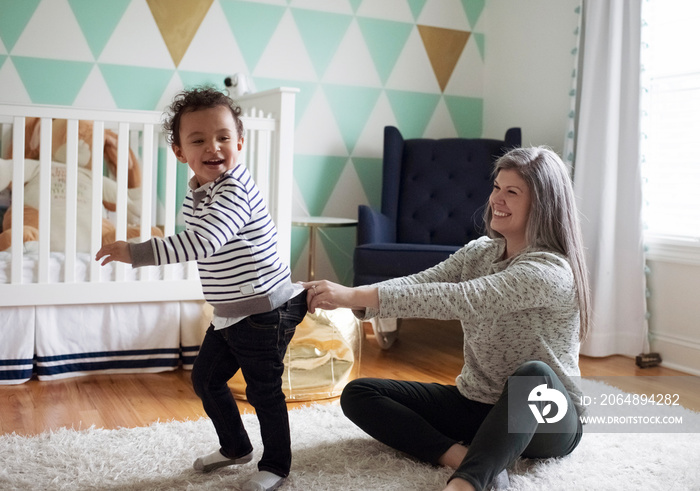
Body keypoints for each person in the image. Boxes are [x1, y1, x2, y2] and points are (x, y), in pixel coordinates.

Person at [303, 146, 590, 491]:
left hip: (548, 419)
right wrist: (355, 297)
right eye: (497, 187)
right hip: (477, 404)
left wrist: (352, 296)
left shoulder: (550, 271)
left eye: (512, 192)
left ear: (542, 204)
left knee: (533, 377)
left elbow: (463, 299)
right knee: (360, 394)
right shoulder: (479, 252)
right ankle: (462, 456)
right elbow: (422, 283)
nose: (497, 199)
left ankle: (466, 483)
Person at [96, 87, 306, 491]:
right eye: (199, 140)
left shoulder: (234, 190)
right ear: (179, 152)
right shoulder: (198, 193)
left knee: (264, 389)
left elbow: (204, 241)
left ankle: (277, 464)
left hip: (265, 310)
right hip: (231, 311)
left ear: (239, 143)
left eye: (224, 137)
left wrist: (136, 251)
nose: (214, 147)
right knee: (206, 380)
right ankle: (235, 446)